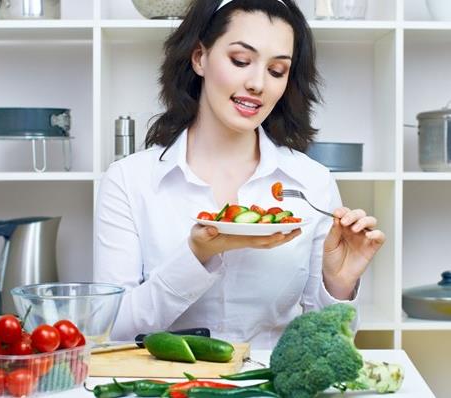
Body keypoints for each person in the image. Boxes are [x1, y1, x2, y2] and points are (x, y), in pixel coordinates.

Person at [94, 0, 385, 349]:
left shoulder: (311, 183)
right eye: (241, 61)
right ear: (199, 57)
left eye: (277, 70)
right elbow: (108, 331)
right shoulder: (128, 181)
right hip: (167, 385)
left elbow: (327, 348)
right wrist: (196, 255)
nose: (258, 83)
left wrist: (338, 285)